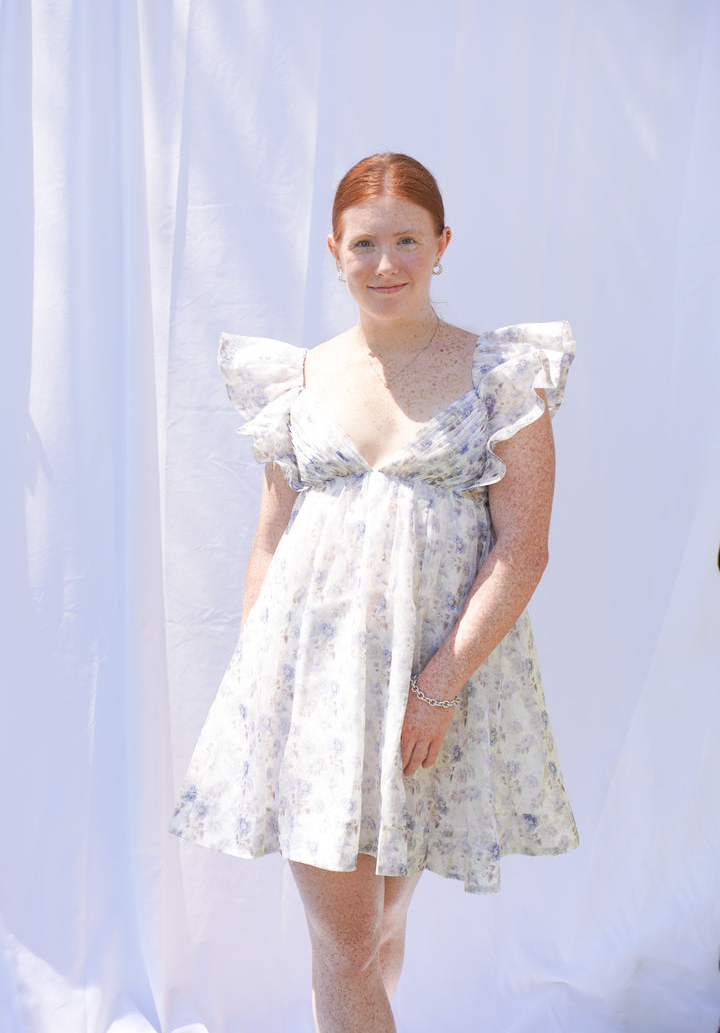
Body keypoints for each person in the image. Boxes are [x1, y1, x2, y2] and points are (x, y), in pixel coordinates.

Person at [170, 152, 578, 1032]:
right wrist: (258, 695)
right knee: (346, 944)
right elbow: (270, 539)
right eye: (365, 244)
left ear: (441, 244)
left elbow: (525, 547)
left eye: (406, 240)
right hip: (313, 699)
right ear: (333, 249)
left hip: (430, 699)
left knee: (384, 924)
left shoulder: (499, 376)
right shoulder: (299, 378)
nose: (386, 263)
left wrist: (437, 687)